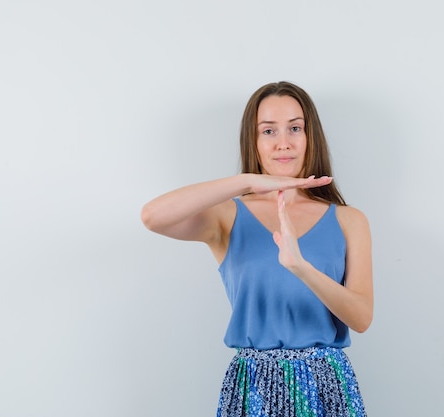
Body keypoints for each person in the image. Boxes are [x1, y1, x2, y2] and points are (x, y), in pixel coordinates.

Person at [140, 81, 373, 417]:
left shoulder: (349, 220)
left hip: (327, 385)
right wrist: (247, 181)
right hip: (254, 388)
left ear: (311, 137)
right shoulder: (227, 215)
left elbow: (362, 318)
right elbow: (152, 216)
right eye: (268, 131)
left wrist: (301, 268)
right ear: (254, 140)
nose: (283, 143)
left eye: (295, 128)